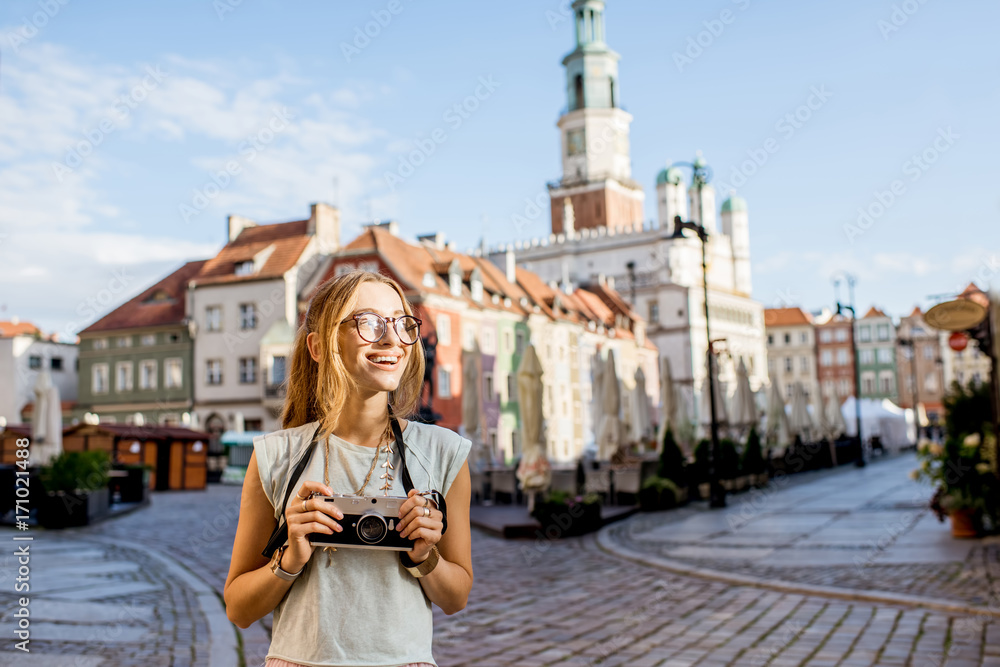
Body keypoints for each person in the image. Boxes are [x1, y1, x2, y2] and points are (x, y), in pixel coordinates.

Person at [224, 270, 473, 667]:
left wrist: (425, 556)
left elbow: (455, 598)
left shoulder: (443, 452)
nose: (392, 339)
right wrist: (289, 558)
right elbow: (239, 608)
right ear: (319, 346)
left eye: (402, 323)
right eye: (370, 323)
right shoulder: (275, 455)